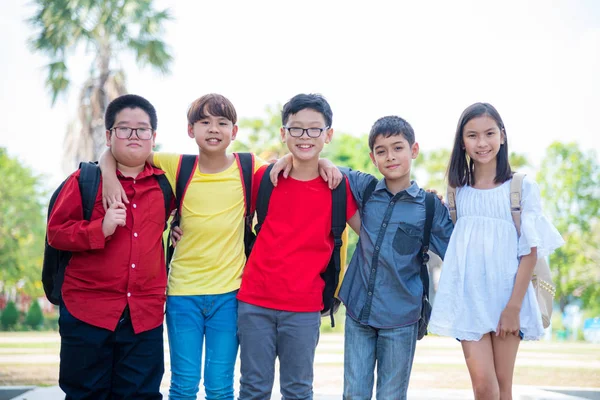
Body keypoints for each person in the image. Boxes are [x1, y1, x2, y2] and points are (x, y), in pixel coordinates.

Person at [101, 93, 340, 400]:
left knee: (220, 386)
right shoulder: (178, 165)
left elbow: (295, 163)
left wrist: (324, 160)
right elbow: (119, 152)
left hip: (230, 295)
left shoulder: (248, 166)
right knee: (183, 385)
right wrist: (108, 176)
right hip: (182, 293)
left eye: (222, 122)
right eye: (204, 122)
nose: (213, 129)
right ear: (191, 130)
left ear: (234, 131)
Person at [428, 102, 564, 400]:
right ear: (462, 142)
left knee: (503, 388)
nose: (482, 142)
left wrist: (513, 308)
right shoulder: (456, 190)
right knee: (484, 388)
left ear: (502, 136)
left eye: (489, 133)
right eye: (472, 135)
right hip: (469, 298)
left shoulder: (521, 187)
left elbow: (529, 251)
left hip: (507, 297)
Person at [236, 93, 359, 400]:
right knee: (253, 389)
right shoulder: (265, 177)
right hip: (255, 303)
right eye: (296, 128)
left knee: (298, 390)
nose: (305, 136)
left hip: (304, 308)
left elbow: (372, 235)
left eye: (314, 129)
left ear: (328, 135)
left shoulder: (337, 187)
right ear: (283, 133)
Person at [47, 94, 170, 399]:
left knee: (142, 394)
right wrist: (99, 229)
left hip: (144, 314)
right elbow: (56, 233)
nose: (133, 135)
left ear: (153, 136)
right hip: (87, 311)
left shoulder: (166, 184)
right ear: (109, 136)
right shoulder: (83, 180)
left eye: (142, 129)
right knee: (86, 394)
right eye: (124, 128)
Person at [337, 116, 454, 399]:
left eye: (398, 148)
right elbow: (325, 167)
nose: (390, 156)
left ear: (413, 150)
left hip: (401, 317)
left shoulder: (429, 206)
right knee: (354, 394)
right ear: (372, 157)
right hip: (358, 311)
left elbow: (458, 252)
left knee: (391, 396)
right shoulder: (364, 188)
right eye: (381, 151)